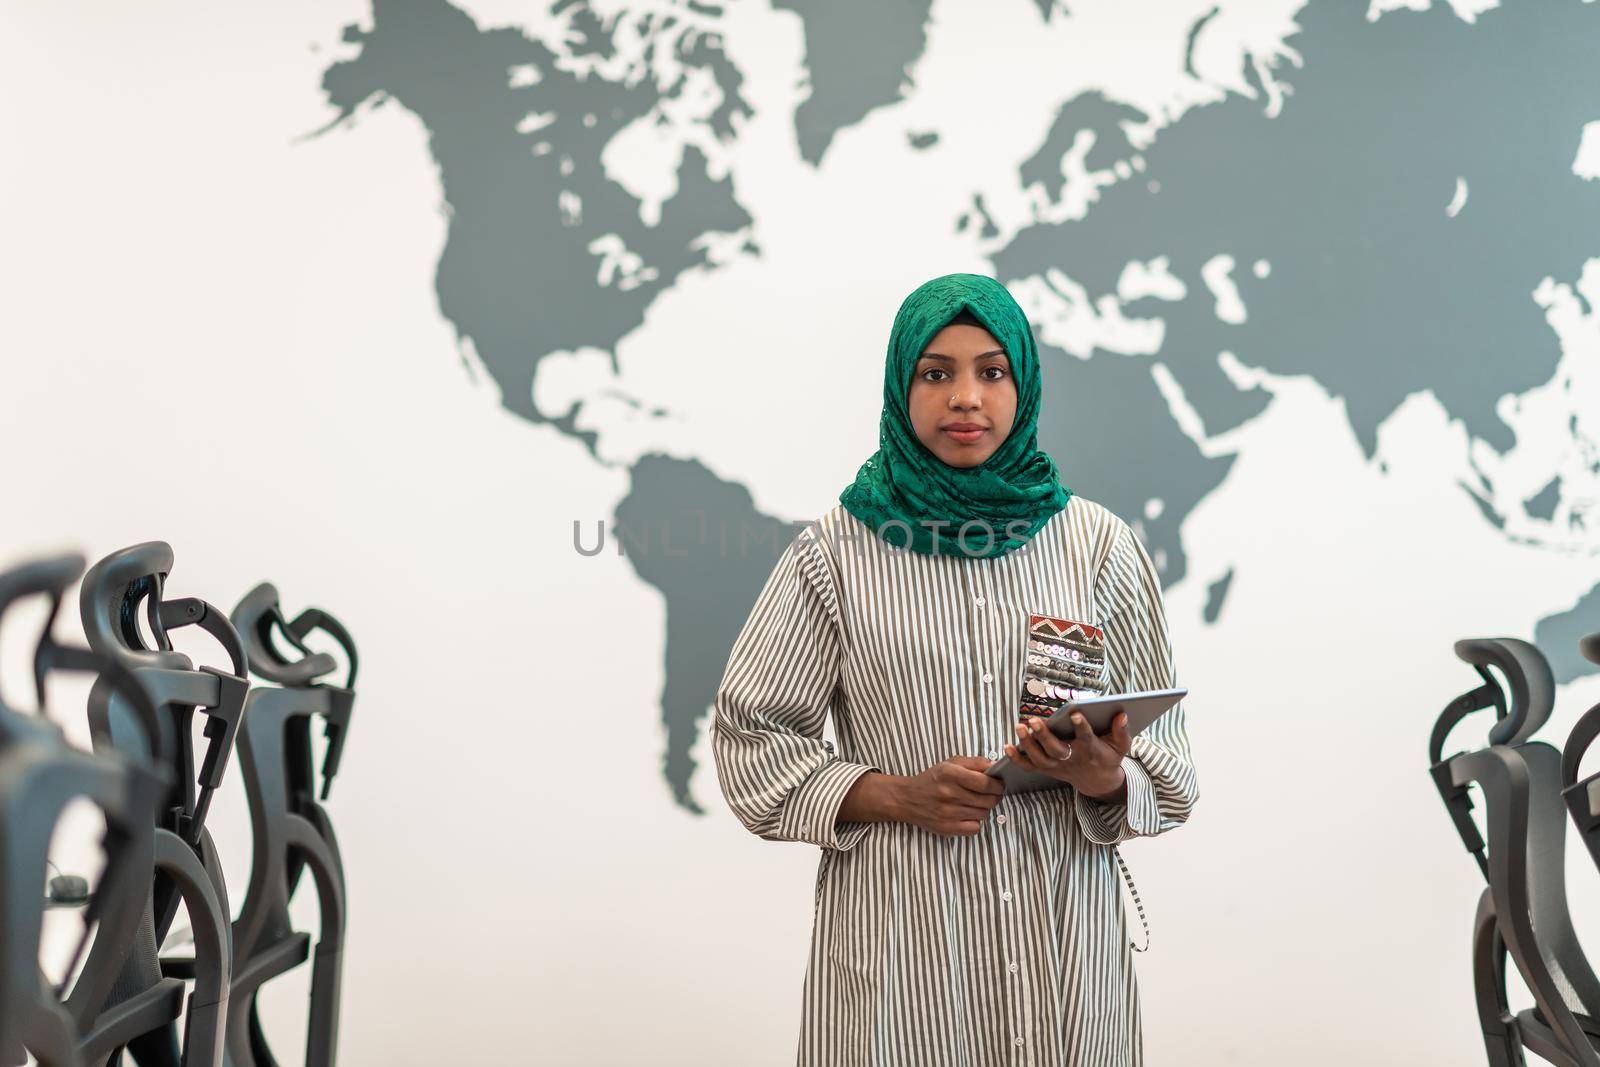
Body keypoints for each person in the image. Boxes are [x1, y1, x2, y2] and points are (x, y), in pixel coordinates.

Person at [710, 272, 1197, 1066]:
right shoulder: (833, 554)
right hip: (901, 958)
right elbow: (751, 738)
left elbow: (1168, 765)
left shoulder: (1097, 547)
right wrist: (894, 793)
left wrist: (1103, 773)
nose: (966, 397)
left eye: (991, 371)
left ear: (1024, 384)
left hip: (1065, 959)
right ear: (902, 387)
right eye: (936, 372)